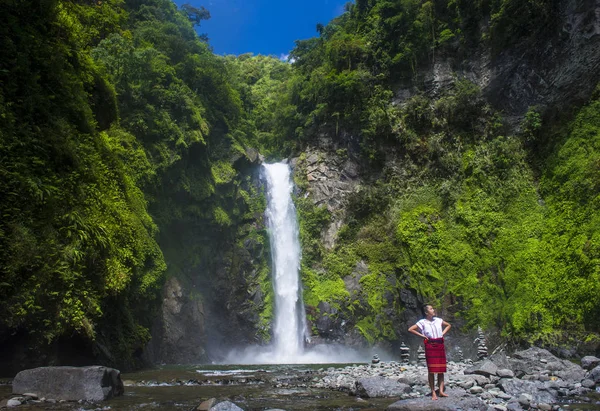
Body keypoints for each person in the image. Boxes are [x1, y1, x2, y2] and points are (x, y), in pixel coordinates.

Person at [408, 304, 451, 400]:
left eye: (433, 308)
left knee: (441, 370)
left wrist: (442, 333)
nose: (433, 309)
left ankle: (440, 391)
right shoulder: (422, 322)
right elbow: (410, 329)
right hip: (430, 345)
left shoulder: (438, 320)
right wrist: (422, 336)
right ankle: (433, 392)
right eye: (431, 309)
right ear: (426, 312)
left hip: (439, 344)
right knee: (431, 370)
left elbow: (448, 325)